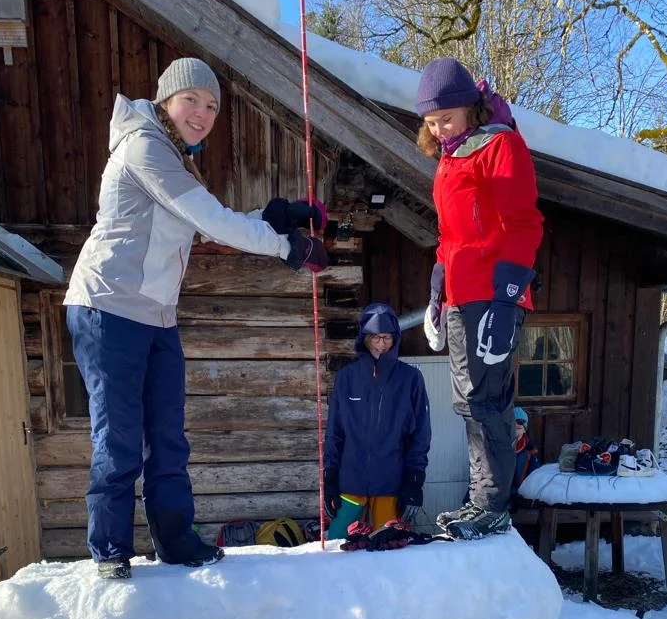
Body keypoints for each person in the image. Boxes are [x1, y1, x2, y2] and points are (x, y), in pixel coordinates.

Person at [64, 57, 329, 580]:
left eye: (212, 106)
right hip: (108, 306)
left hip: (157, 316)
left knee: (167, 434)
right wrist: (286, 247)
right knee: (119, 435)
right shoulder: (144, 147)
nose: (203, 113)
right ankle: (109, 549)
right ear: (166, 100)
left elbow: (204, 225)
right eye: (193, 100)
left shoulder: (176, 159)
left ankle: (176, 539)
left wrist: (273, 218)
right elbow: (210, 218)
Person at [416, 57, 544, 540]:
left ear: (471, 107)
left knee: (488, 401)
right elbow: (452, 236)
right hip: (461, 296)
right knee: (469, 403)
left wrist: (506, 299)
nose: (438, 127)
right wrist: (437, 291)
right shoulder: (451, 158)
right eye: (431, 121)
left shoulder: (500, 145)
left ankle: (492, 505)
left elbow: (524, 225)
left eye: (445, 117)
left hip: (493, 297)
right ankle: (479, 499)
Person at [323, 303, 431, 539]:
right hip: (349, 483)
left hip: (391, 483)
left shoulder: (411, 379)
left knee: (387, 553)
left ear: (396, 338)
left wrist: (414, 481)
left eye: (387, 338)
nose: (381, 344)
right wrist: (329, 477)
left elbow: (420, 434)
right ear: (364, 338)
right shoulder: (347, 378)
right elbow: (335, 433)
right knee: (338, 549)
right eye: (375, 337)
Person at [511, 406, 541, 510]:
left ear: (524, 430)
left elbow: (534, 476)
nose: (515, 432)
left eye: (519, 428)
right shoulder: (500, 449)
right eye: (512, 428)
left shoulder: (530, 451)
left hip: (522, 493)